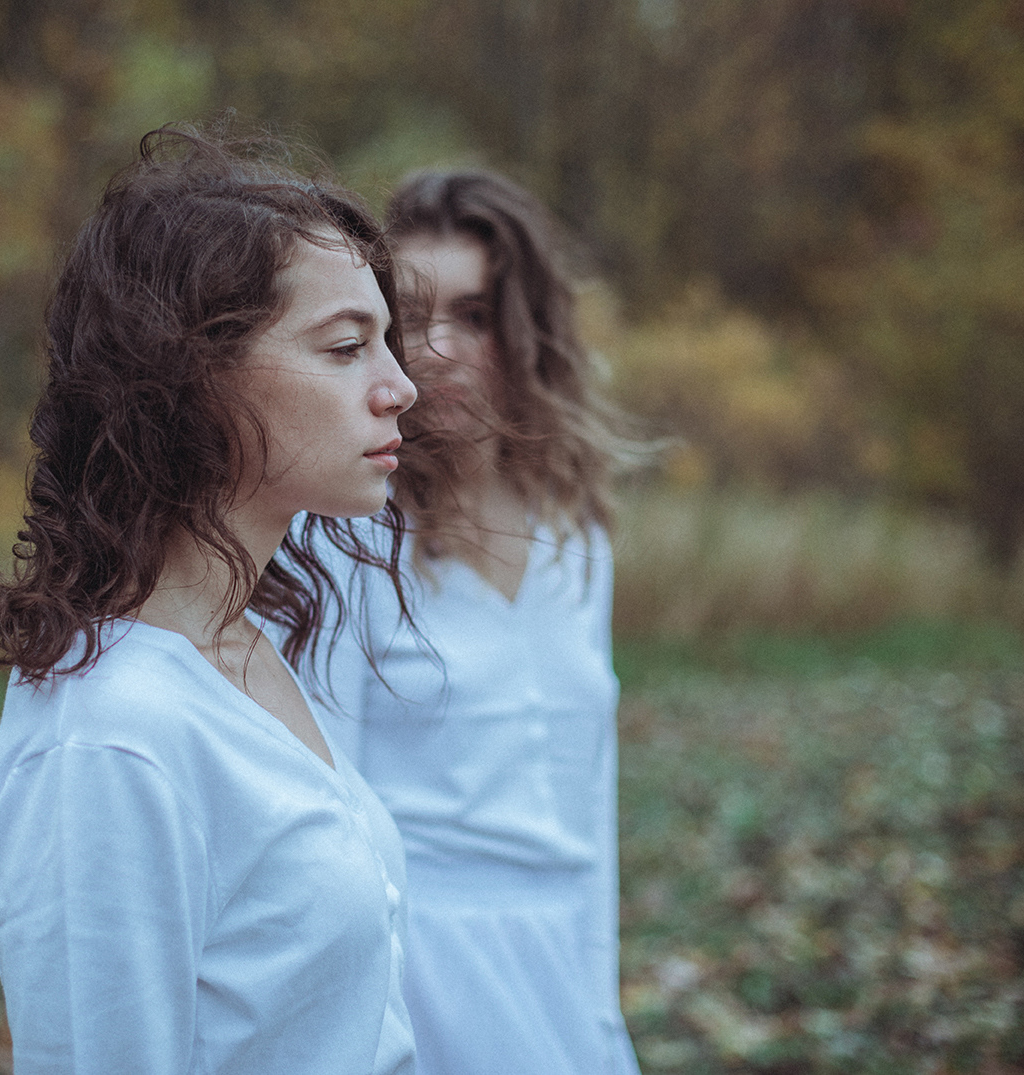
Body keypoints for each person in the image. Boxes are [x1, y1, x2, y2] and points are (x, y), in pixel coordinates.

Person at [0, 125, 421, 1075]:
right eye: (346, 347)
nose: (400, 387)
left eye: (386, 343)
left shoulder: (243, 643)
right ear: (191, 374)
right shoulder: (109, 736)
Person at [310, 169, 643, 1074]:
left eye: (476, 315)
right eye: (411, 318)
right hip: (419, 975)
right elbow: (331, 817)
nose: (439, 348)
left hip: (564, 976)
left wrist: (600, 1011)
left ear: (526, 330)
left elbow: (591, 806)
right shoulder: (345, 534)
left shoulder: (576, 535)